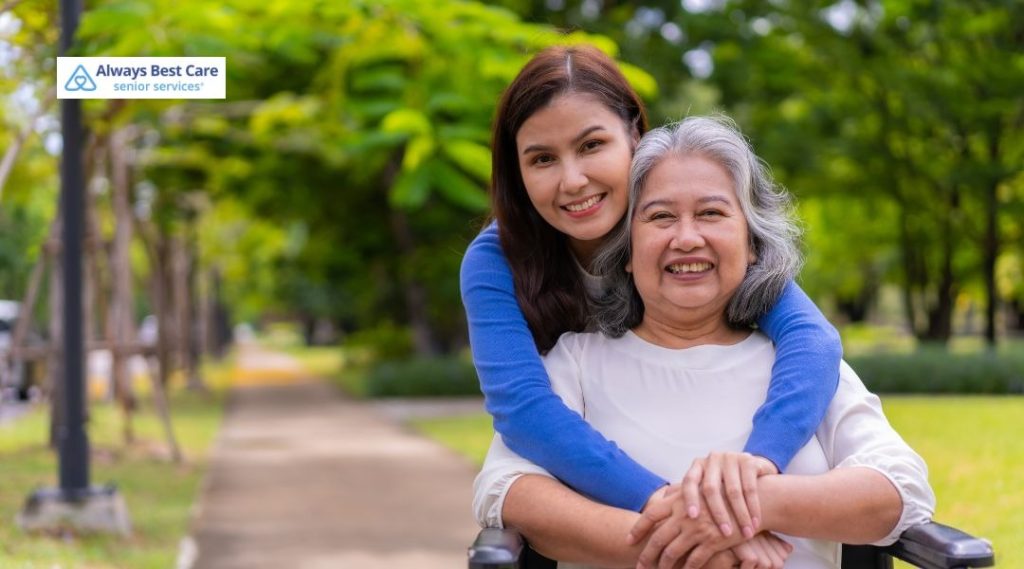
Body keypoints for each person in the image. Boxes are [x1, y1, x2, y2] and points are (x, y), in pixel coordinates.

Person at [472, 116, 935, 569]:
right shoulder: (574, 363)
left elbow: (901, 489)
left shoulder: (800, 367)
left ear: (752, 243)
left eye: (711, 213)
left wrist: (751, 499)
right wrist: (694, 546)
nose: (687, 238)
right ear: (627, 251)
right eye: (660, 217)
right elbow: (508, 489)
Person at [460, 44, 843, 544]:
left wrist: (754, 470)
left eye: (592, 145)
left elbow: (812, 340)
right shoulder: (496, 261)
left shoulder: (691, 241)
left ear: (635, 138)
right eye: (543, 159)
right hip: (589, 492)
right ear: (517, 171)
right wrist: (674, 508)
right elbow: (525, 412)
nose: (573, 180)